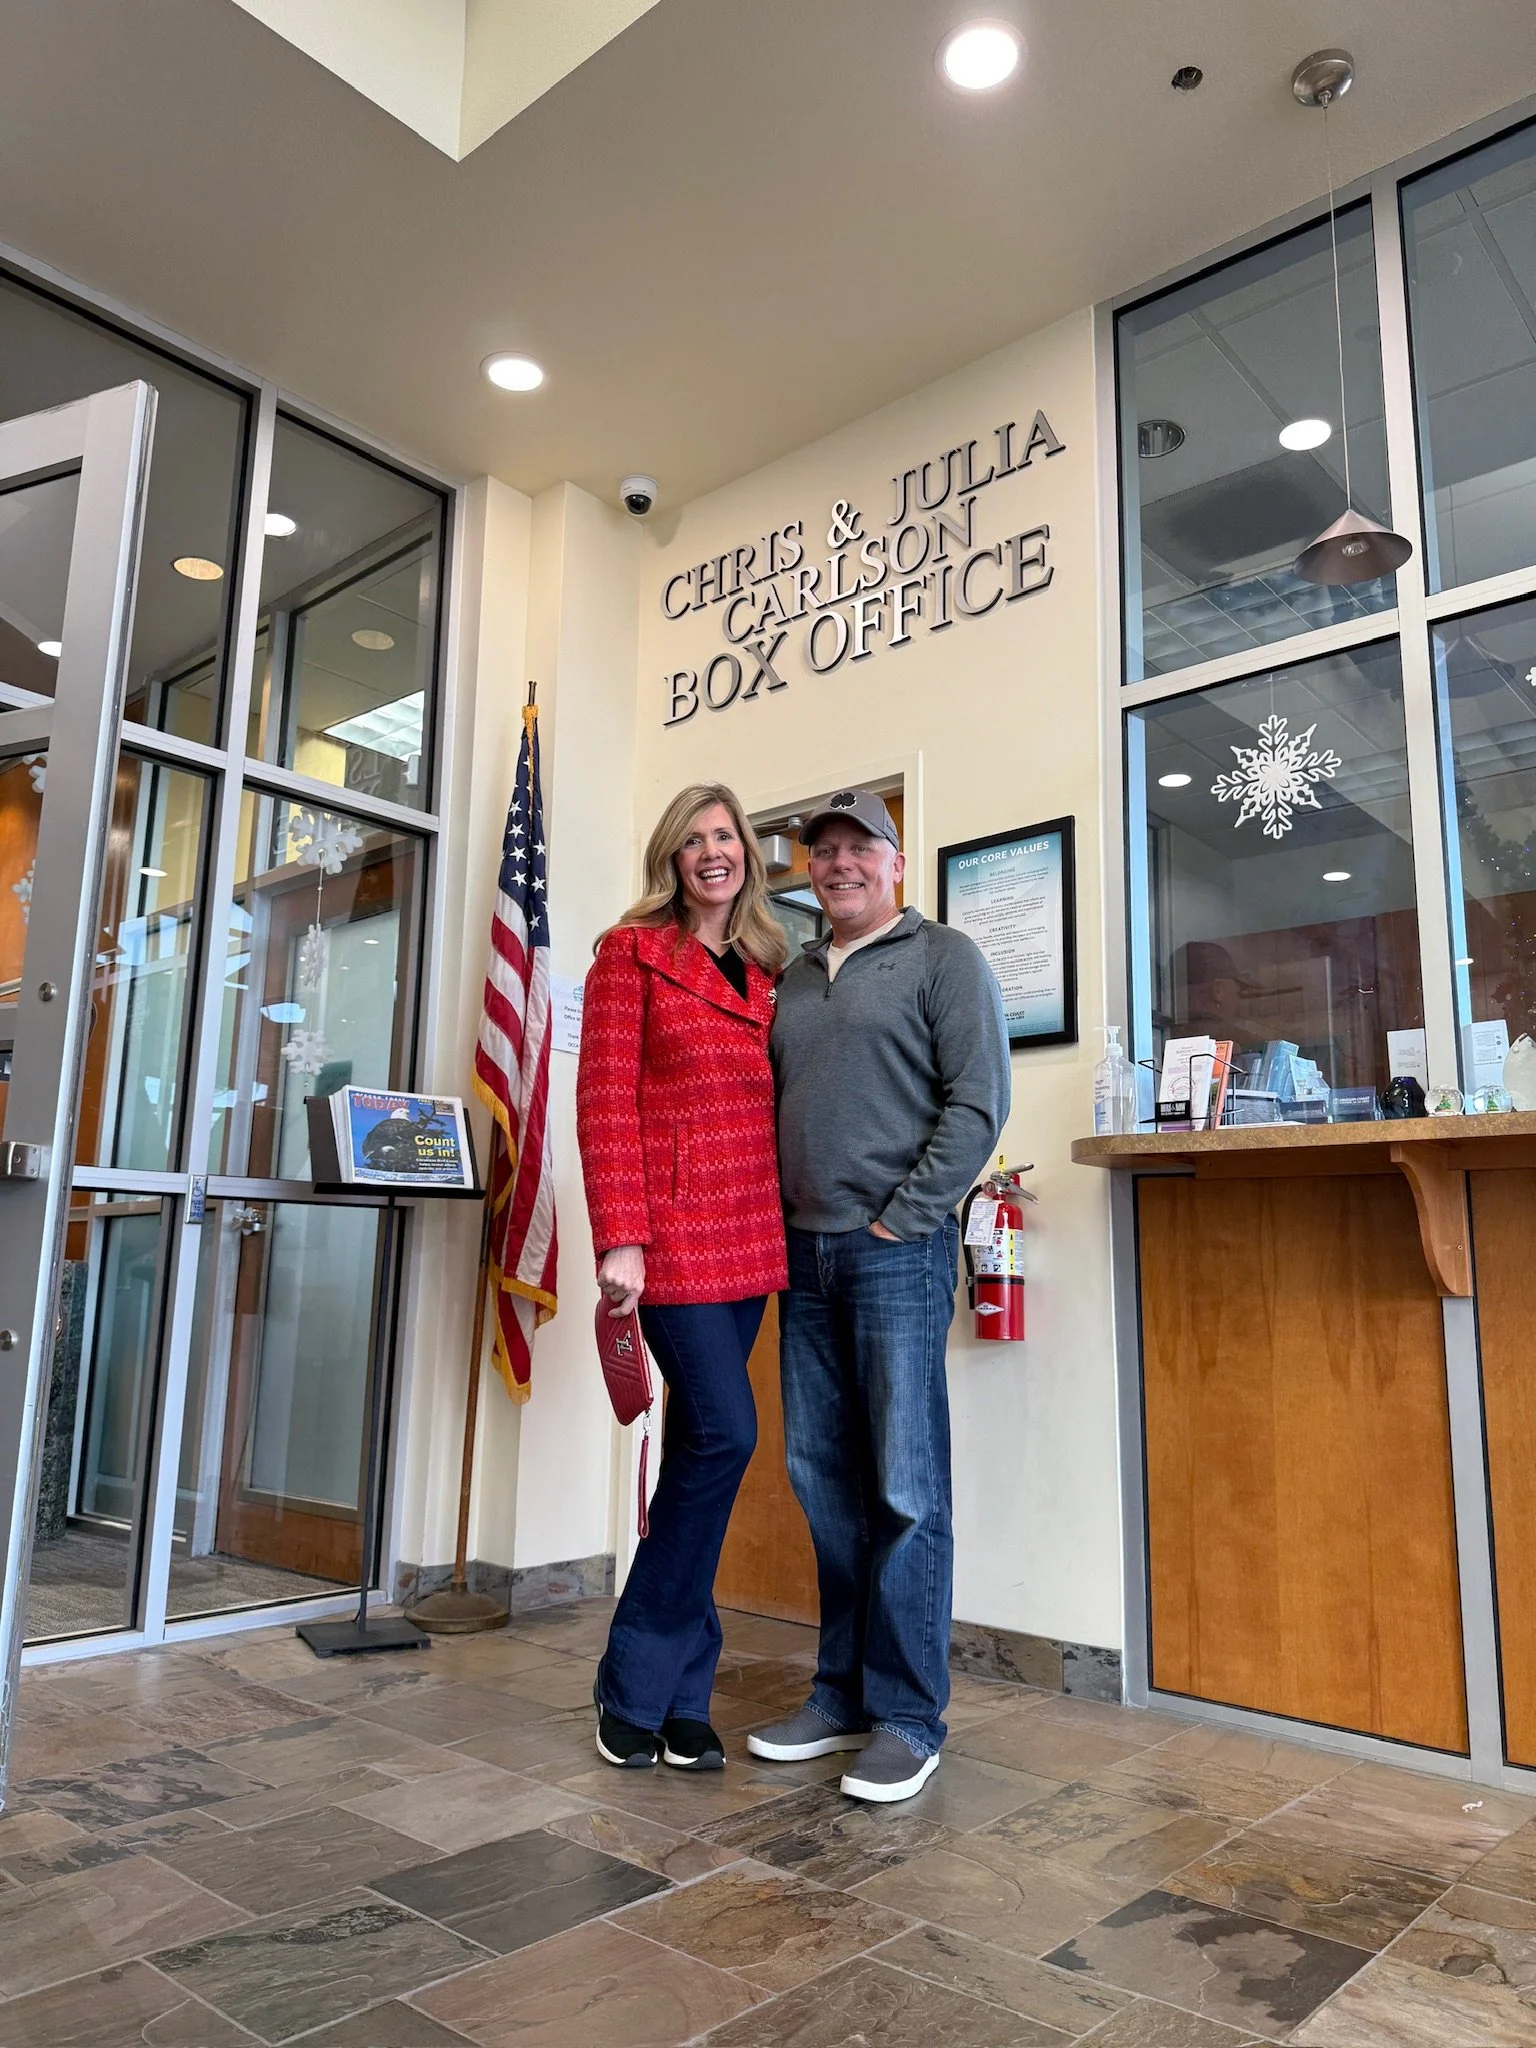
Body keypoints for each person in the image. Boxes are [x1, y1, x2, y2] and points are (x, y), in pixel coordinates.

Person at [750, 789, 1009, 1802]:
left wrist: (905, 1217)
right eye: (824, 851)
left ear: (897, 862)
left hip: (894, 1255)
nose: (840, 863)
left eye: (860, 847)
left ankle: (909, 1714)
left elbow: (978, 1100)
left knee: (905, 1488)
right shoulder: (792, 978)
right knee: (824, 1485)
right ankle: (841, 1693)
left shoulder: (946, 959)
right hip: (800, 1259)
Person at [575, 782, 788, 1771]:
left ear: (747, 851)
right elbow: (604, 1099)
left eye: (727, 836)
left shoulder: (768, 967)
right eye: (696, 837)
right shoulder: (630, 955)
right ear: (672, 853)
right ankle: (634, 1678)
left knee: (705, 1449)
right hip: (668, 1240)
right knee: (727, 1434)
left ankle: (680, 1694)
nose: (714, 851)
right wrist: (620, 1234)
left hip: (751, 1241)